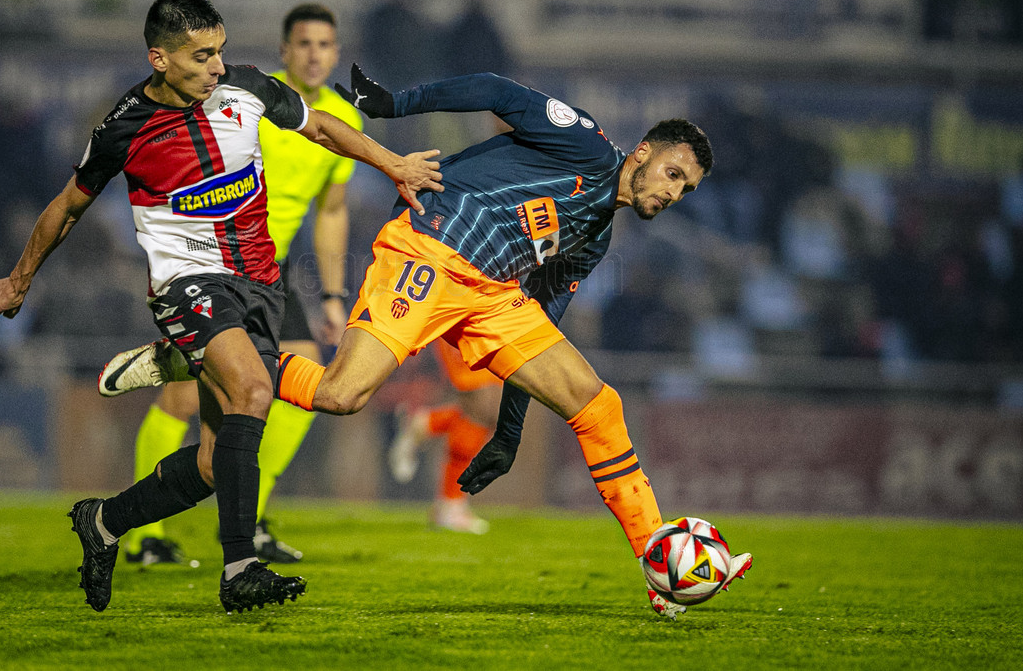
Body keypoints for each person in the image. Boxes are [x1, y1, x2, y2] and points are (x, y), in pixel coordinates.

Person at [108, 64, 751, 618]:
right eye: (671, 173)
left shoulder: (594, 237)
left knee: (597, 403)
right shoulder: (583, 143)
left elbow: (542, 322)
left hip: (494, 294)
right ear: (642, 152)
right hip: (432, 248)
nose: (672, 193)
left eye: (685, 189)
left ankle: (656, 564)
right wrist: (394, 106)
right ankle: (197, 356)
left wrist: (508, 430)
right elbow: (496, 90)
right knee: (340, 394)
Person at [0, 0, 442, 615]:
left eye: (220, 52)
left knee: (210, 461)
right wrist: (19, 279)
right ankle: (240, 568)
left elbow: (324, 128)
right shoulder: (123, 126)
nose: (218, 68)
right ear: (161, 59)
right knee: (256, 390)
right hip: (188, 283)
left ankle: (104, 522)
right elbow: (68, 206)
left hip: (260, 283)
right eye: (202, 57)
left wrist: (392, 164)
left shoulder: (247, 89)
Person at [104, 2, 362, 566]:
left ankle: (252, 511)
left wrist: (334, 295)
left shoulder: (345, 117)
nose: (315, 54)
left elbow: (333, 210)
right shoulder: (242, 99)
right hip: (210, 264)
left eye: (325, 44)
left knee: (303, 384)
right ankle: (150, 535)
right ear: (284, 51)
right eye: (304, 44)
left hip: (273, 269)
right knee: (191, 399)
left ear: (336, 53)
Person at [388, 339, 497, 534]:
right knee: (480, 406)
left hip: (496, 324)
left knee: (493, 411)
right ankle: (451, 504)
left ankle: (425, 423)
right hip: (465, 324)